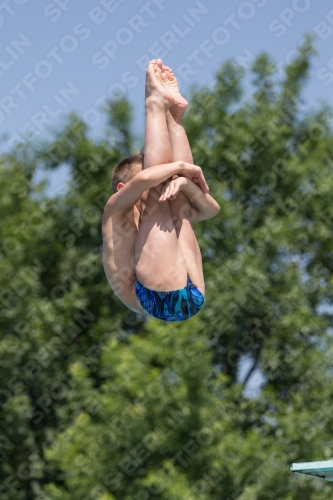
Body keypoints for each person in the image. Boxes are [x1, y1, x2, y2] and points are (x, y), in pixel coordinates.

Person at [102, 59, 220, 321]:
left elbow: (211, 209)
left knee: (174, 199)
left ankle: (174, 116)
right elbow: (147, 181)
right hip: (156, 296)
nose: (164, 174)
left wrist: (184, 182)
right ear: (123, 189)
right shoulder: (115, 210)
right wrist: (179, 167)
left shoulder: (163, 207)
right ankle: (154, 104)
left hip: (193, 292)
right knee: (159, 193)